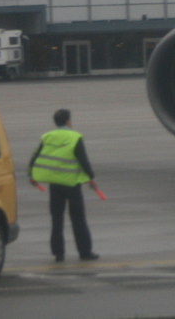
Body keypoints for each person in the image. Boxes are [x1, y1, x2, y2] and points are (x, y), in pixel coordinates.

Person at [29, 109, 100, 262]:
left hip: (55, 185)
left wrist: (31, 176)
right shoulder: (75, 137)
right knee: (78, 219)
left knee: (56, 219)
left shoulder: (47, 136)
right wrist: (91, 178)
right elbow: (83, 160)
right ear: (68, 121)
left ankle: (58, 253)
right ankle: (85, 252)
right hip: (72, 184)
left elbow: (34, 158)